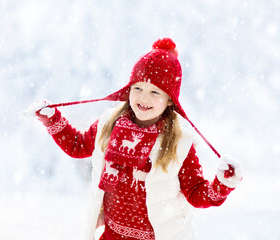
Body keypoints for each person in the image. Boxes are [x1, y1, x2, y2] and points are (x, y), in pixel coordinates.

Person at [25, 38, 243, 240]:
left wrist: (221, 185)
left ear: (169, 101)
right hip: (112, 235)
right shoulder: (110, 124)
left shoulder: (178, 142)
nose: (143, 97)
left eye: (155, 92)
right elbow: (77, 145)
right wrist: (52, 119)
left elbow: (196, 193)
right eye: (137, 88)